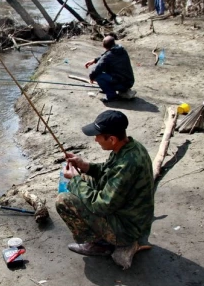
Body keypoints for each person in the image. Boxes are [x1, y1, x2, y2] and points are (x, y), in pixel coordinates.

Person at [55, 110, 154, 269]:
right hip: (129, 214)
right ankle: (105, 239)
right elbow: (109, 172)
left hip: (127, 229)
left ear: (112, 139)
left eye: (98, 136)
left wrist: (75, 180)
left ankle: (100, 244)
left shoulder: (126, 166)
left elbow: (101, 206)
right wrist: (85, 166)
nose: (95, 139)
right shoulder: (130, 147)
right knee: (84, 180)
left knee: (64, 201)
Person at [85, 36, 136, 102]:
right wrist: (95, 60)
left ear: (104, 46)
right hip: (129, 82)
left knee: (98, 76)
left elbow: (95, 70)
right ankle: (110, 89)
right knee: (105, 71)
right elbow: (104, 56)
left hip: (122, 84)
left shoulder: (109, 55)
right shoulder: (121, 50)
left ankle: (111, 96)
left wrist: (91, 78)